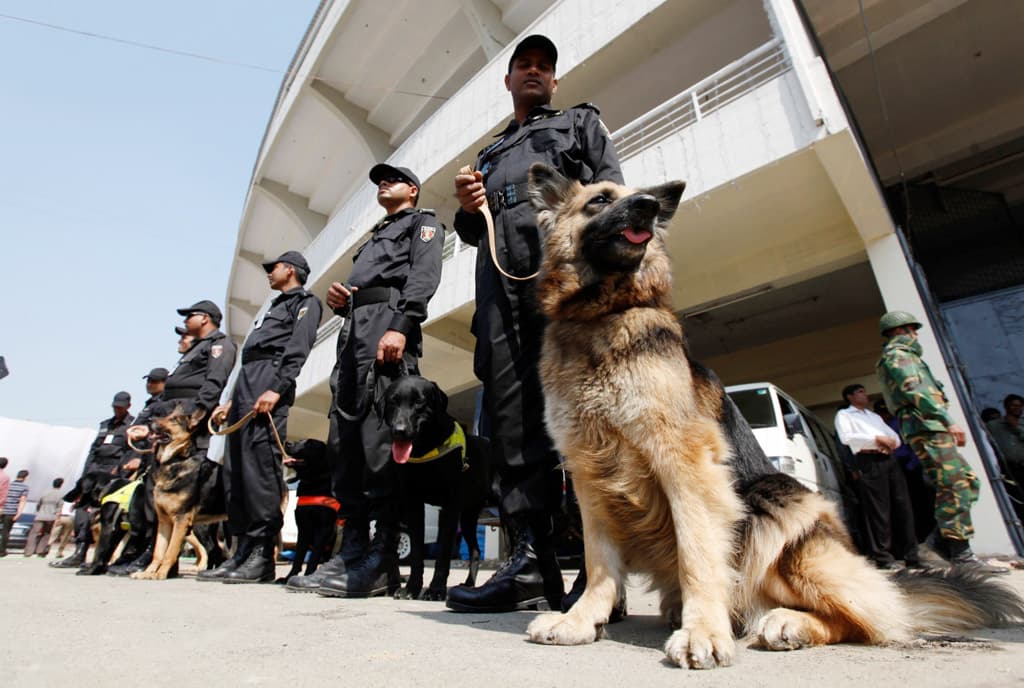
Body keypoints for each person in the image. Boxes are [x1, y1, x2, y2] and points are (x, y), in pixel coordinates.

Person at [447, 34, 623, 613]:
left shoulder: (578, 123)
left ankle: (602, 570)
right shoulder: (491, 153)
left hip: (565, 282)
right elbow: (474, 233)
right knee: (513, 420)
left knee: (587, 416)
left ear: (553, 81)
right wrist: (470, 208)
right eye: (523, 64)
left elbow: (611, 194)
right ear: (509, 79)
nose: (533, 72)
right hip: (500, 293)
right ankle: (529, 565)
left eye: (543, 66)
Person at [291, 163, 443, 597]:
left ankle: (382, 557)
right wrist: (343, 303)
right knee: (345, 443)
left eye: (392, 180)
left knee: (380, 444)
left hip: (387, 333)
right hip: (355, 336)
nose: (383, 185)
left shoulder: (424, 224)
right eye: (379, 181)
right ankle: (352, 549)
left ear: (412, 190)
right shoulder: (373, 237)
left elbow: (423, 277)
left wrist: (401, 324)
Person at [200, 251, 322, 583]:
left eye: (274, 268)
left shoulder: (305, 303)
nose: (269, 273)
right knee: (236, 471)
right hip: (246, 385)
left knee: (260, 472)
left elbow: (297, 348)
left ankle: (260, 555)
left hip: (268, 382)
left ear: (292, 271)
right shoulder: (272, 307)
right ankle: (241, 551)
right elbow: (247, 357)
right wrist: (229, 400)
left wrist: (277, 388)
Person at [875, 311, 1007, 574]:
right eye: (914, 330)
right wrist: (947, 420)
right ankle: (961, 554)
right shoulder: (898, 355)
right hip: (928, 426)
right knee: (954, 484)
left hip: (929, 425)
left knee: (967, 481)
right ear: (901, 331)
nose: (916, 335)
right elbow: (917, 391)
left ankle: (939, 540)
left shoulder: (904, 355)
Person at [835, 385, 921, 570]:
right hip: (868, 460)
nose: (864, 394)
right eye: (860, 392)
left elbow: (894, 438)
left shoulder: (874, 417)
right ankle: (883, 557)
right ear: (849, 396)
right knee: (878, 510)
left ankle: (911, 555)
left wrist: (889, 441)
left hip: (888, 459)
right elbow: (847, 437)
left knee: (902, 506)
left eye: (865, 391)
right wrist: (877, 439)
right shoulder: (845, 415)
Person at [51, 392, 135, 568]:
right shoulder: (105, 425)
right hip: (94, 472)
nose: (117, 409)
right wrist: (85, 474)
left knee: (108, 515)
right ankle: (80, 550)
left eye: (120, 407)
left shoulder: (132, 425)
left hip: (112, 476)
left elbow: (130, 451)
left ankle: (103, 556)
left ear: (128, 406)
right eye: (115, 406)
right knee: (82, 509)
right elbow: (93, 451)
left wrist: (119, 471)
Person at [987, 393, 1024, 521]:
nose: (1017, 408)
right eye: (1014, 406)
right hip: (1008, 468)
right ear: (1006, 406)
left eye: (1020, 406)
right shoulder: (994, 425)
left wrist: (1017, 428)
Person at [24, 477, 64, 557]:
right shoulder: (60, 495)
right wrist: (58, 518)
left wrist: (39, 511)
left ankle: (28, 552)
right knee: (46, 534)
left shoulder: (45, 493)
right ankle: (40, 551)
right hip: (51, 517)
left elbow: (39, 504)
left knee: (33, 533)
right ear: (61, 485)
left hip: (40, 515)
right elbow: (59, 508)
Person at [0, 469, 29, 556]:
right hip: (11, 512)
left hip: (2, 509)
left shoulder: (9, 484)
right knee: (6, 531)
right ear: (25, 477)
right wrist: (19, 513)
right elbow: (22, 501)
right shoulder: (24, 487)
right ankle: (2, 551)